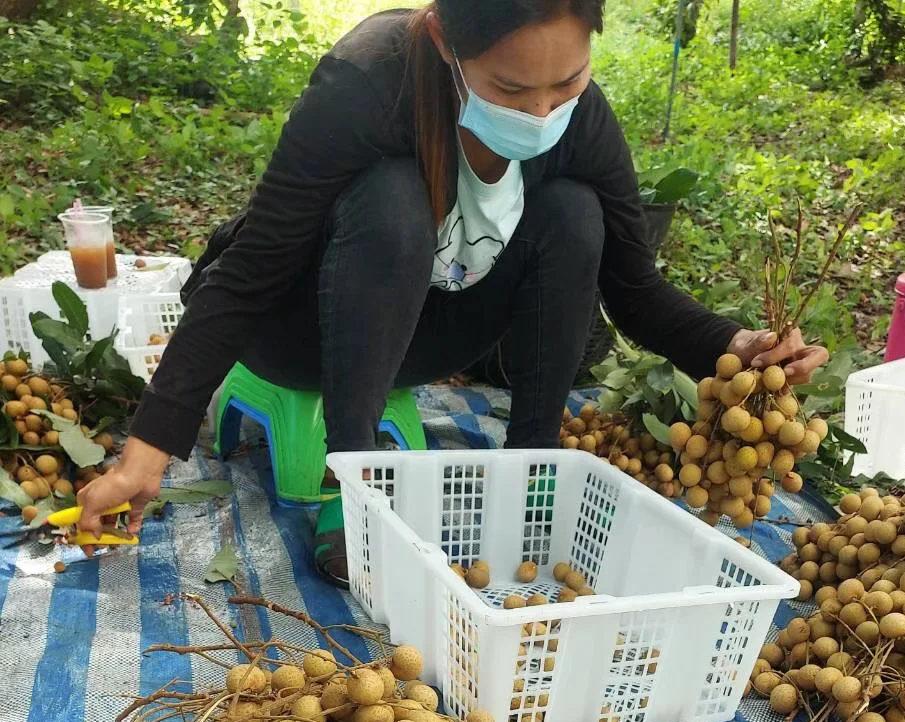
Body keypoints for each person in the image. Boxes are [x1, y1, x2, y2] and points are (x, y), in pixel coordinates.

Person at [80, 0, 828, 583]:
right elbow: (249, 273)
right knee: (392, 199)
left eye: (566, 82)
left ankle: (533, 472)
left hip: (427, 331)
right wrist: (147, 455)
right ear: (444, 39)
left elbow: (632, 288)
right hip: (301, 328)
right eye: (510, 87)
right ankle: (357, 490)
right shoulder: (368, 83)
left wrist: (735, 345)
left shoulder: (581, 122)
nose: (541, 113)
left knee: (575, 213)